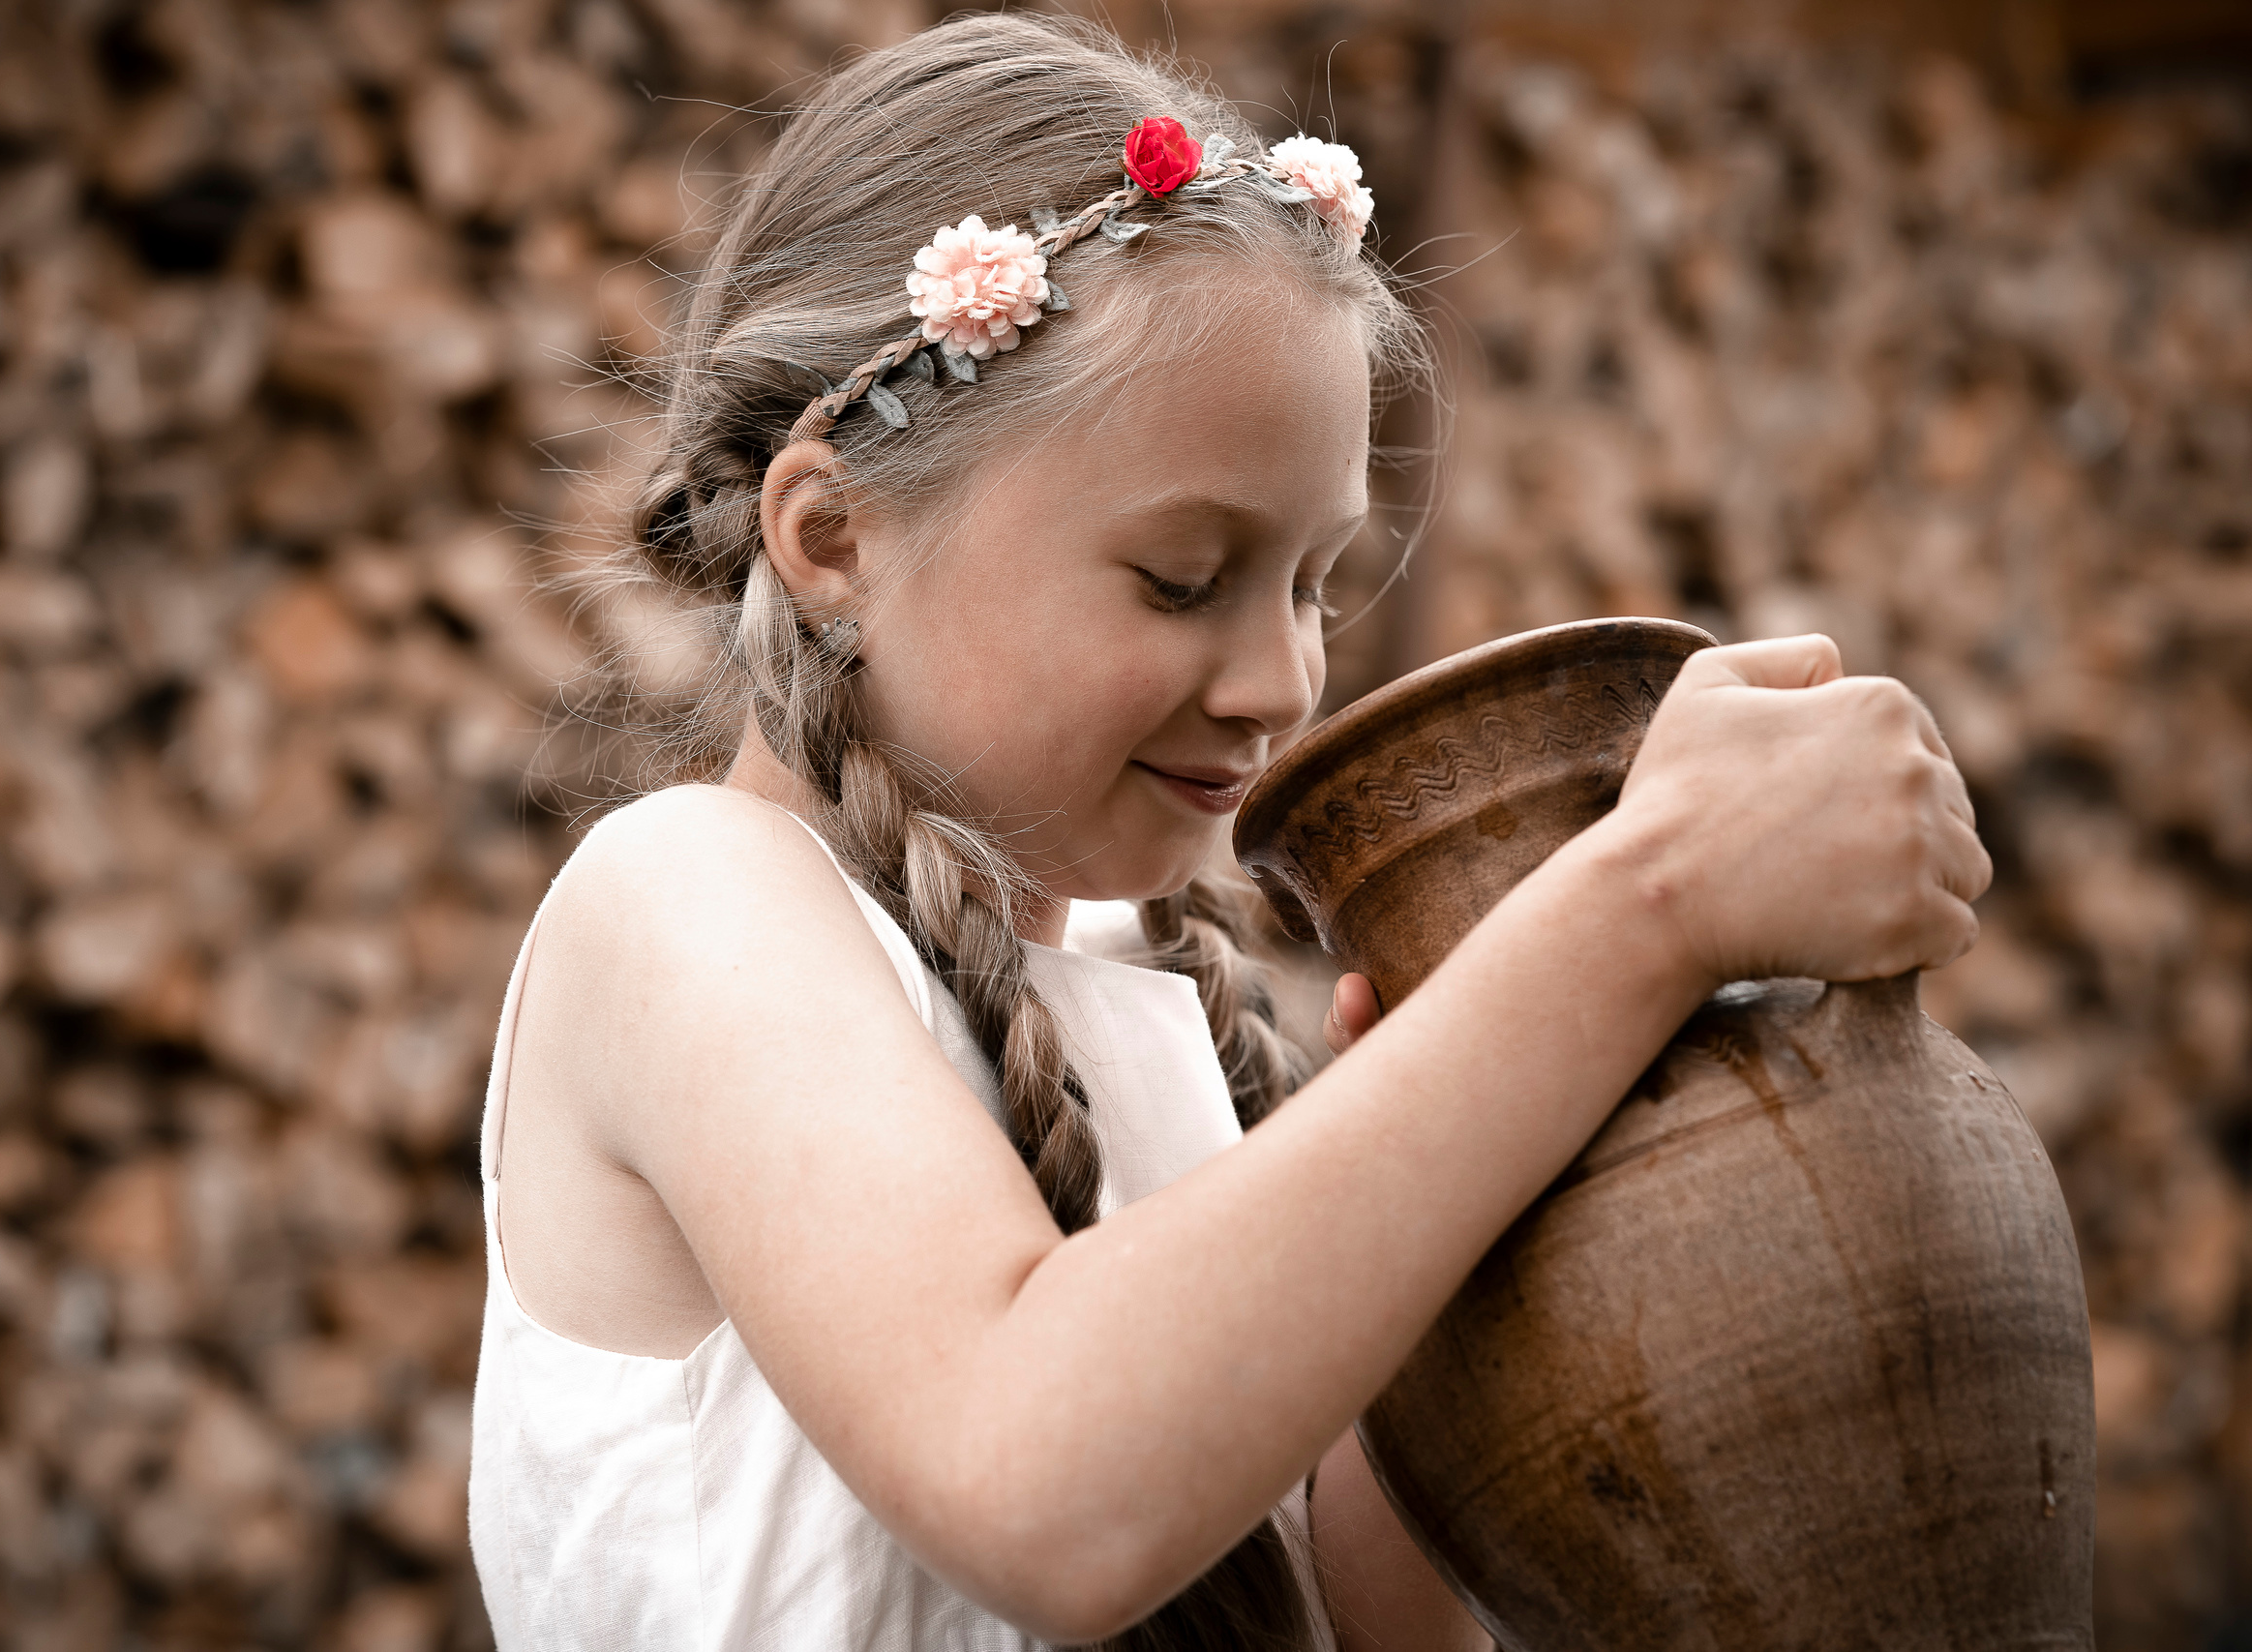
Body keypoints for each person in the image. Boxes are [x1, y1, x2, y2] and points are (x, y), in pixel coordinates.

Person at [466, 14, 1991, 1650]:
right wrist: (1648, 904)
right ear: (834, 539)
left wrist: (1490, 1145)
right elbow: (1038, 1486)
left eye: (1316, 582)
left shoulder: (1173, 1034)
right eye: (1182, 579)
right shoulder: (690, 902)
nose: (1280, 682)